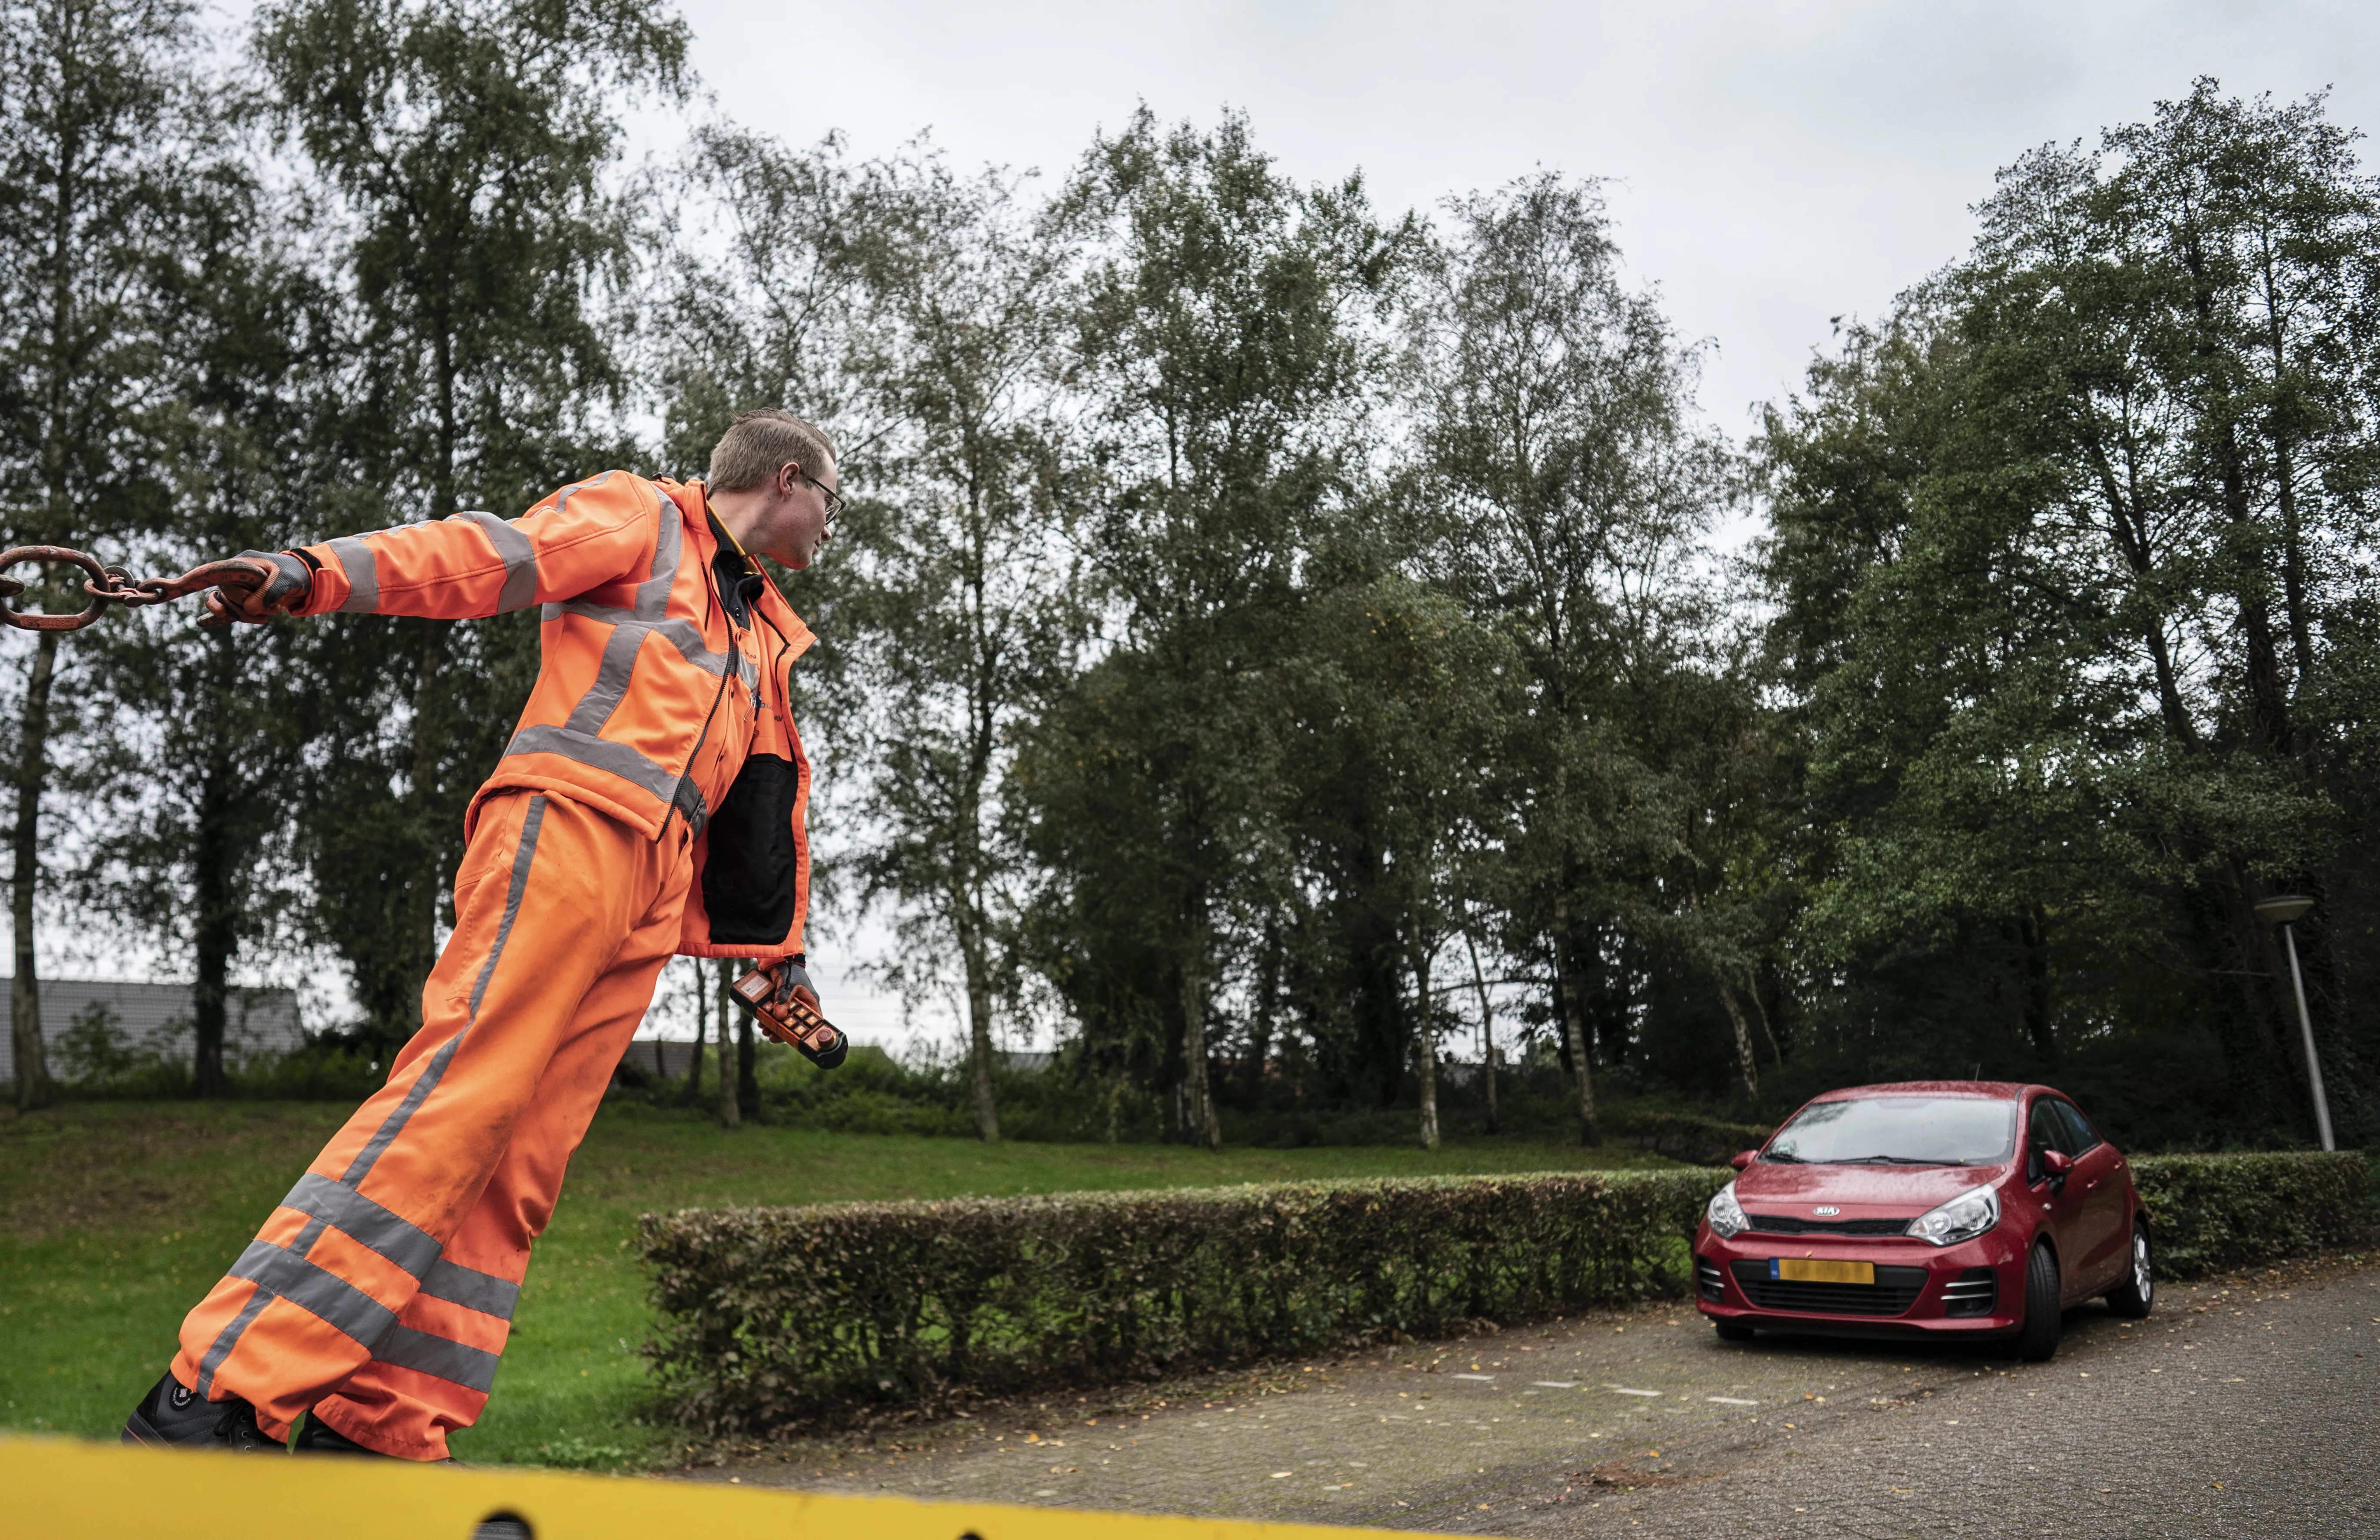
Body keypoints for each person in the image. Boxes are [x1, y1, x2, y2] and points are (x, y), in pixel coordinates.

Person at [120, 409, 841, 1461]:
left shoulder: (764, 630)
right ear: (788, 480)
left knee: (522, 1164)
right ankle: (218, 1388)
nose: (834, 526)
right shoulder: (641, 517)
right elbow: (485, 554)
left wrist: (772, 964)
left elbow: (760, 815)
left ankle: (382, 1427)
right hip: (565, 829)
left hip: (651, 881)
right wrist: (311, 572)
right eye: (835, 500)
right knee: (460, 1098)